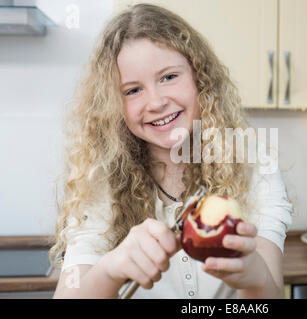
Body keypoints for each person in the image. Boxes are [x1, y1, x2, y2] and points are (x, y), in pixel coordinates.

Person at [51, 3, 292, 299]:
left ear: (200, 79)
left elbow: (269, 298)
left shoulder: (252, 162)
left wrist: (255, 277)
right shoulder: (100, 178)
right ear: (115, 105)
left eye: (169, 77)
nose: (156, 102)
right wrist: (110, 270)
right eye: (132, 90)